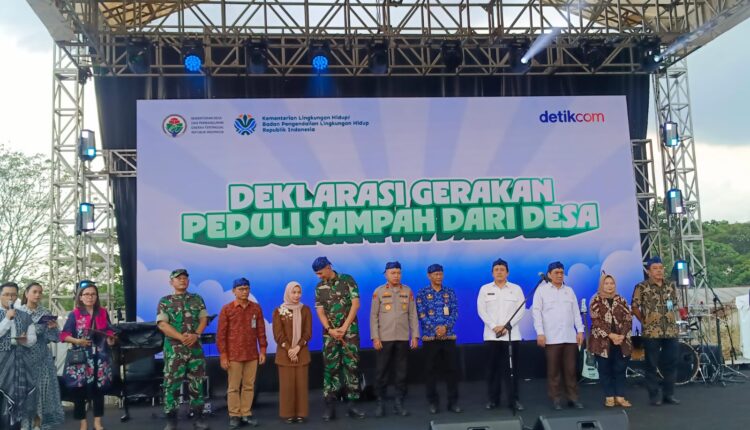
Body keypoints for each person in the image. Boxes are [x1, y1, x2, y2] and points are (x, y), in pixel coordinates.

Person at [312, 256, 366, 421]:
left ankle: (352, 405)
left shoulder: (347, 280)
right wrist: (330, 329)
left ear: (328, 267)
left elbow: (356, 304)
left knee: (351, 366)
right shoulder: (319, 287)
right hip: (330, 335)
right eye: (316, 274)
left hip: (349, 333)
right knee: (331, 368)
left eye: (320, 273)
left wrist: (344, 327)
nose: (318, 276)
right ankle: (330, 406)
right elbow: (320, 311)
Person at [156, 269, 210, 430]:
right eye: (178, 278)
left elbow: (203, 319)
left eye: (185, 278)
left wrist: (196, 334)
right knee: (171, 385)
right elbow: (162, 325)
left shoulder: (197, 299)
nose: (182, 280)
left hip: (195, 349)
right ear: (171, 282)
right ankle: (171, 421)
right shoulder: (165, 301)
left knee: (197, 384)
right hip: (174, 350)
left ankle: (198, 419)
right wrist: (181, 337)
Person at [61, 280, 115, 430]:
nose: (90, 297)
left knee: (99, 390)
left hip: (100, 358)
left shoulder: (102, 312)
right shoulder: (75, 314)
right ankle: (83, 423)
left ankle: (97, 422)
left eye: (93, 294)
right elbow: (64, 335)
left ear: (97, 296)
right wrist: (78, 341)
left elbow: (109, 330)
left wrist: (110, 339)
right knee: (79, 391)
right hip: (81, 359)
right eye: (86, 294)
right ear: (80, 297)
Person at [532, 262, 584, 410]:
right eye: (556, 273)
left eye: (561, 272)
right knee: (553, 371)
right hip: (551, 337)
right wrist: (540, 333)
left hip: (569, 337)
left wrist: (580, 331)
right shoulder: (541, 291)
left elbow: (576, 312)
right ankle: (556, 399)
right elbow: (536, 313)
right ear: (549, 274)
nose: (560, 275)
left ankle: (573, 398)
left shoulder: (569, 291)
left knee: (571, 370)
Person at [370, 261, 419, 417]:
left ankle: (399, 403)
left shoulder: (407, 291)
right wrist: (375, 337)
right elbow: (373, 316)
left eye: (398, 273)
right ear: (386, 274)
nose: (396, 276)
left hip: (402, 338)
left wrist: (415, 335)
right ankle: (380, 403)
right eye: (393, 273)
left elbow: (413, 315)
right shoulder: (378, 292)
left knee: (401, 373)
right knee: (381, 372)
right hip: (384, 338)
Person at [217, 277, 268, 428]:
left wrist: (263, 350)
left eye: (246, 289)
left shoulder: (256, 308)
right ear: (234, 291)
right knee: (233, 387)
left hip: (252, 354)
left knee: (249, 386)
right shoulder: (227, 309)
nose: (244, 292)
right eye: (241, 289)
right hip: (234, 355)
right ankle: (234, 415)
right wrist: (223, 355)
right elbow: (221, 335)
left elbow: (261, 331)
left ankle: (246, 413)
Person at [477, 258, 526, 412]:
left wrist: (507, 326)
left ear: (507, 272)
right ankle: (493, 400)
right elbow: (481, 310)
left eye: (502, 269)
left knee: (512, 370)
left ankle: (514, 400)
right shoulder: (485, 289)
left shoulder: (516, 289)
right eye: (496, 270)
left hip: (512, 336)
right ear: (492, 273)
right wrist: (494, 326)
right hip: (491, 336)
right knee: (492, 370)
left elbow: (521, 310)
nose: (499, 272)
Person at [631, 256, 681, 406]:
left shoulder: (670, 286)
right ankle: (654, 396)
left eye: (660, 268)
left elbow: (674, 304)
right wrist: (644, 320)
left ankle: (669, 394)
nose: (659, 271)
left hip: (670, 330)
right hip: (652, 332)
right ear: (648, 271)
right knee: (651, 364)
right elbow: (634, 306)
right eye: (655, 268)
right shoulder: (642, 287)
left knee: (671, 363)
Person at [416, 264, 462, 414]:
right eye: (435, 274)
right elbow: (421, 314)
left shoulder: (450, 292)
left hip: (448, 337)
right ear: (429, 276)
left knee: (452, 370)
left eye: (440, 274)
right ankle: (433, 402)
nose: (438, 277)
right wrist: (436, 329)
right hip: (430, 338)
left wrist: (445, 328)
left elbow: (455, 312)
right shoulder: (422, 293)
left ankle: (453, 402)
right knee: (430, 371)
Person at [19, 282, 65, 430]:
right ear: (26, 293)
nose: (38, 295)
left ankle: (39, 424)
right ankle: (25, 425)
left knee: (42, 392)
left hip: (43, 358)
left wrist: (52, 328)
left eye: (40, 292)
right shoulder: (19, 312)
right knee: (26, 393)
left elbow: (55, 338)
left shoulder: (45, 312)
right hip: (24, 358)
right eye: (34, 291)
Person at [588, 274, 633, 408]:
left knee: (620, 369)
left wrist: (622, 336)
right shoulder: (596, 300)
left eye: (612, 283)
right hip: (602, 342)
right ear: (602, 285)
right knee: (605, 369)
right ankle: (609, 396)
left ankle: (620, 396)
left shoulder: (621, 300)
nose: (609, 286)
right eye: (606, 283)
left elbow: (628, 319)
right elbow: (596, 321)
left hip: (621, 341)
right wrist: (611, 335)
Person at [272, 281, 312, 423]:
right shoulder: (279, 310)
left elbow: (308, 333)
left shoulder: (305, 310)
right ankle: (288, 413)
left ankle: (301, 413)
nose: (296, 295)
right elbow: (278, 334)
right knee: (287, 386)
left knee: (301, 386)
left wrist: (297, 348)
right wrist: (289, 349)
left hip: (301, 353)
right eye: (293, 292)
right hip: (285, 355)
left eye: (299, 292)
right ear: (288, 293)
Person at [0, 281, 37, 430]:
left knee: (16, 400)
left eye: (13, 295)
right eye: (6, 294)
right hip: (1, 363)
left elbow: (33, 338)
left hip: (19, 363)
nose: (10, 297)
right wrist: (7, 319)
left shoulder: (24, 316)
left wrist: (25, 340)